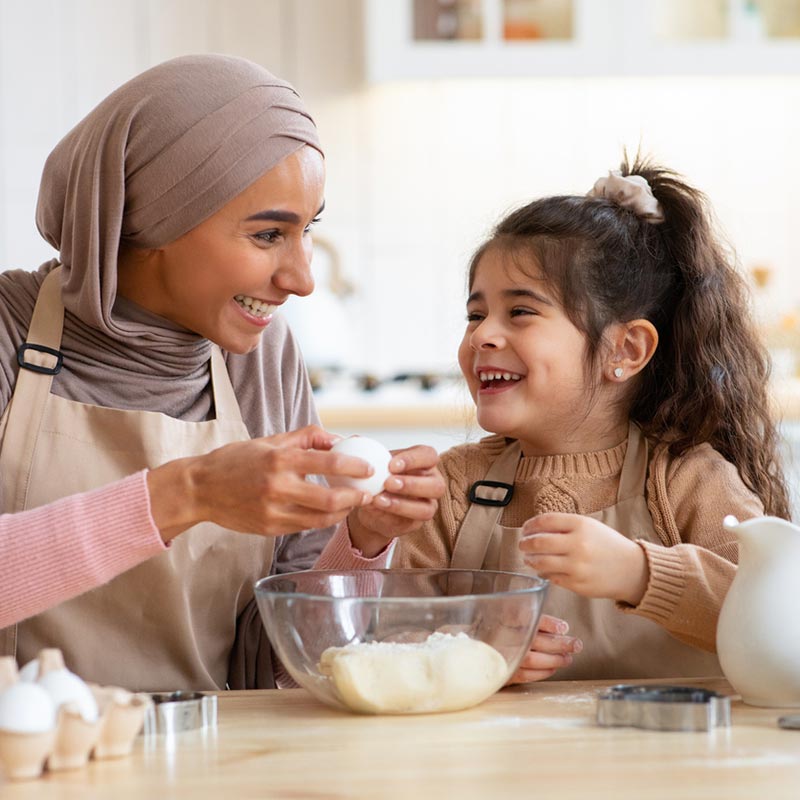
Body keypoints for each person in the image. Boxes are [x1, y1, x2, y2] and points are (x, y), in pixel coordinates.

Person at [0, 54, 444, 690]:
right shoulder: (7, 331)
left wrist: (362, 541)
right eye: (268, 235)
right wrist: (190, 493)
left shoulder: (258, 357)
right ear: (148, 219)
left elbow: (281, 664)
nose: (302, 279)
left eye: (307, 230)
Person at [394, 155, 790, 682]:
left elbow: (775, 617)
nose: (481, 336)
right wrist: (466, 647)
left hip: (672, 759)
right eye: (475, 314)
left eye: (520, 312)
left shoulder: (687, 479)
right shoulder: (452, 488)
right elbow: (392, 634)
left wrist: (640, 573)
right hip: (497, 763)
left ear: (625, 349)